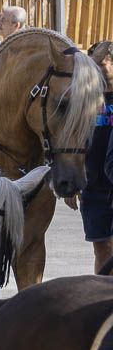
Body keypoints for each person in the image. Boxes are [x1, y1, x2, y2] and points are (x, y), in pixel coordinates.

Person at [66, 41, 113, 273]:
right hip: (93, 188)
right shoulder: (84, 100)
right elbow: (72, 142)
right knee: (102, 249)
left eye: (103, 63)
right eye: (93, 64)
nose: (98, 69)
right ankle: (103, 297)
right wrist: (72, 183)